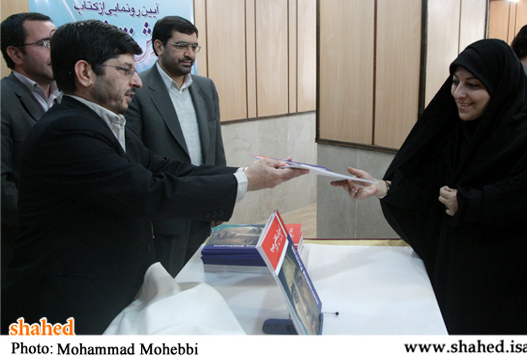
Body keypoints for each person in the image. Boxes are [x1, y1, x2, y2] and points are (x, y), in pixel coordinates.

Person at [1, 20, 307, 335]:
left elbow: (165, 167)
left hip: (110, 290)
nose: (137, 81)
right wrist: (247, 182)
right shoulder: (67, 130)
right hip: (66, 309)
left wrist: (245, 174)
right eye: (125, 70)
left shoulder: (102, 122)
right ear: (85, 73)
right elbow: (148, 192)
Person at [332, 39, 527, 334]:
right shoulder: (459, 130)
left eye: (472, 85)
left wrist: (476, 203)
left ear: (500, 87)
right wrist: (383, 187)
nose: (459, 93)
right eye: (455, 82)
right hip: (459, 278)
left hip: (513, 288)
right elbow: (431, 187)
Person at [125, 16, 225, 276]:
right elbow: (134, 159)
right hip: (163, 216)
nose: (189, 54)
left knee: (201, 280)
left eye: (194, 47)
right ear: (159, 46)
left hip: (202, 208)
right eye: (181, 46)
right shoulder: (138, 90)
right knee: (167, 285)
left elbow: (215, 147)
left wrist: (221, 195)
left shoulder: (205, 87)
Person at [1, 12, 59, 283]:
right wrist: (50, 223)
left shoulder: (68, 95)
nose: (56, 52)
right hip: (25, 248)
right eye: (46, 44)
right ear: (15, 54)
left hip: (71, 247)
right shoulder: (4, 100)